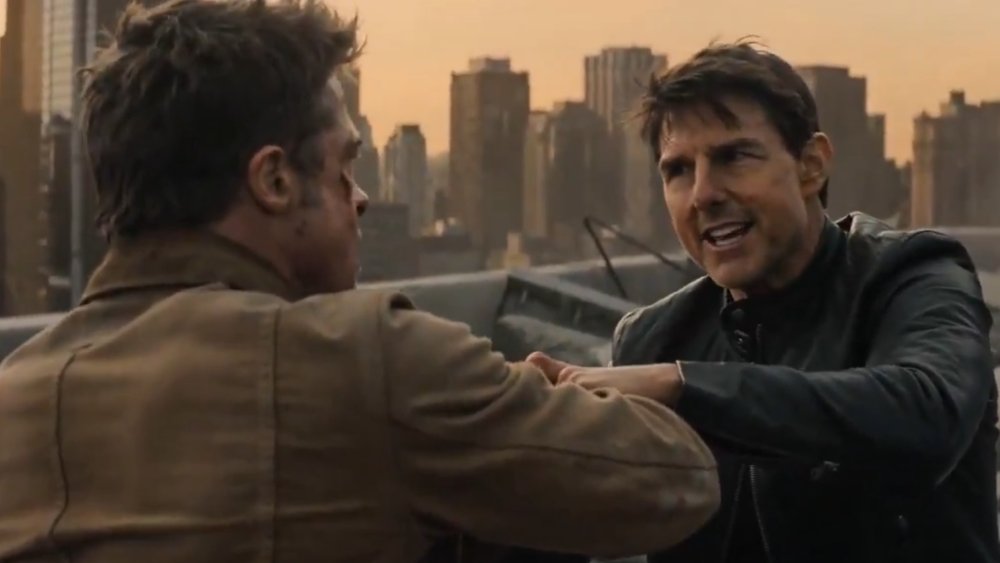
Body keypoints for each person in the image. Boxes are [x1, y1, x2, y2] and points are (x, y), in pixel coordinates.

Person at [0, 2, 721, 562]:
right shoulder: (364, 358)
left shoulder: (16, 389)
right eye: (345, 167)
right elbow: (675, 480)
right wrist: (532, 399)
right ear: (274, 180)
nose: (362, 197)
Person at [528, 41, 999, 563]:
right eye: (678, 170)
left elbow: (927, 414)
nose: (703, 194)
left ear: (811, 165)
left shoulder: (913, 274)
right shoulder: (654, 337)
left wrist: (682, 386)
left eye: (733, 156)